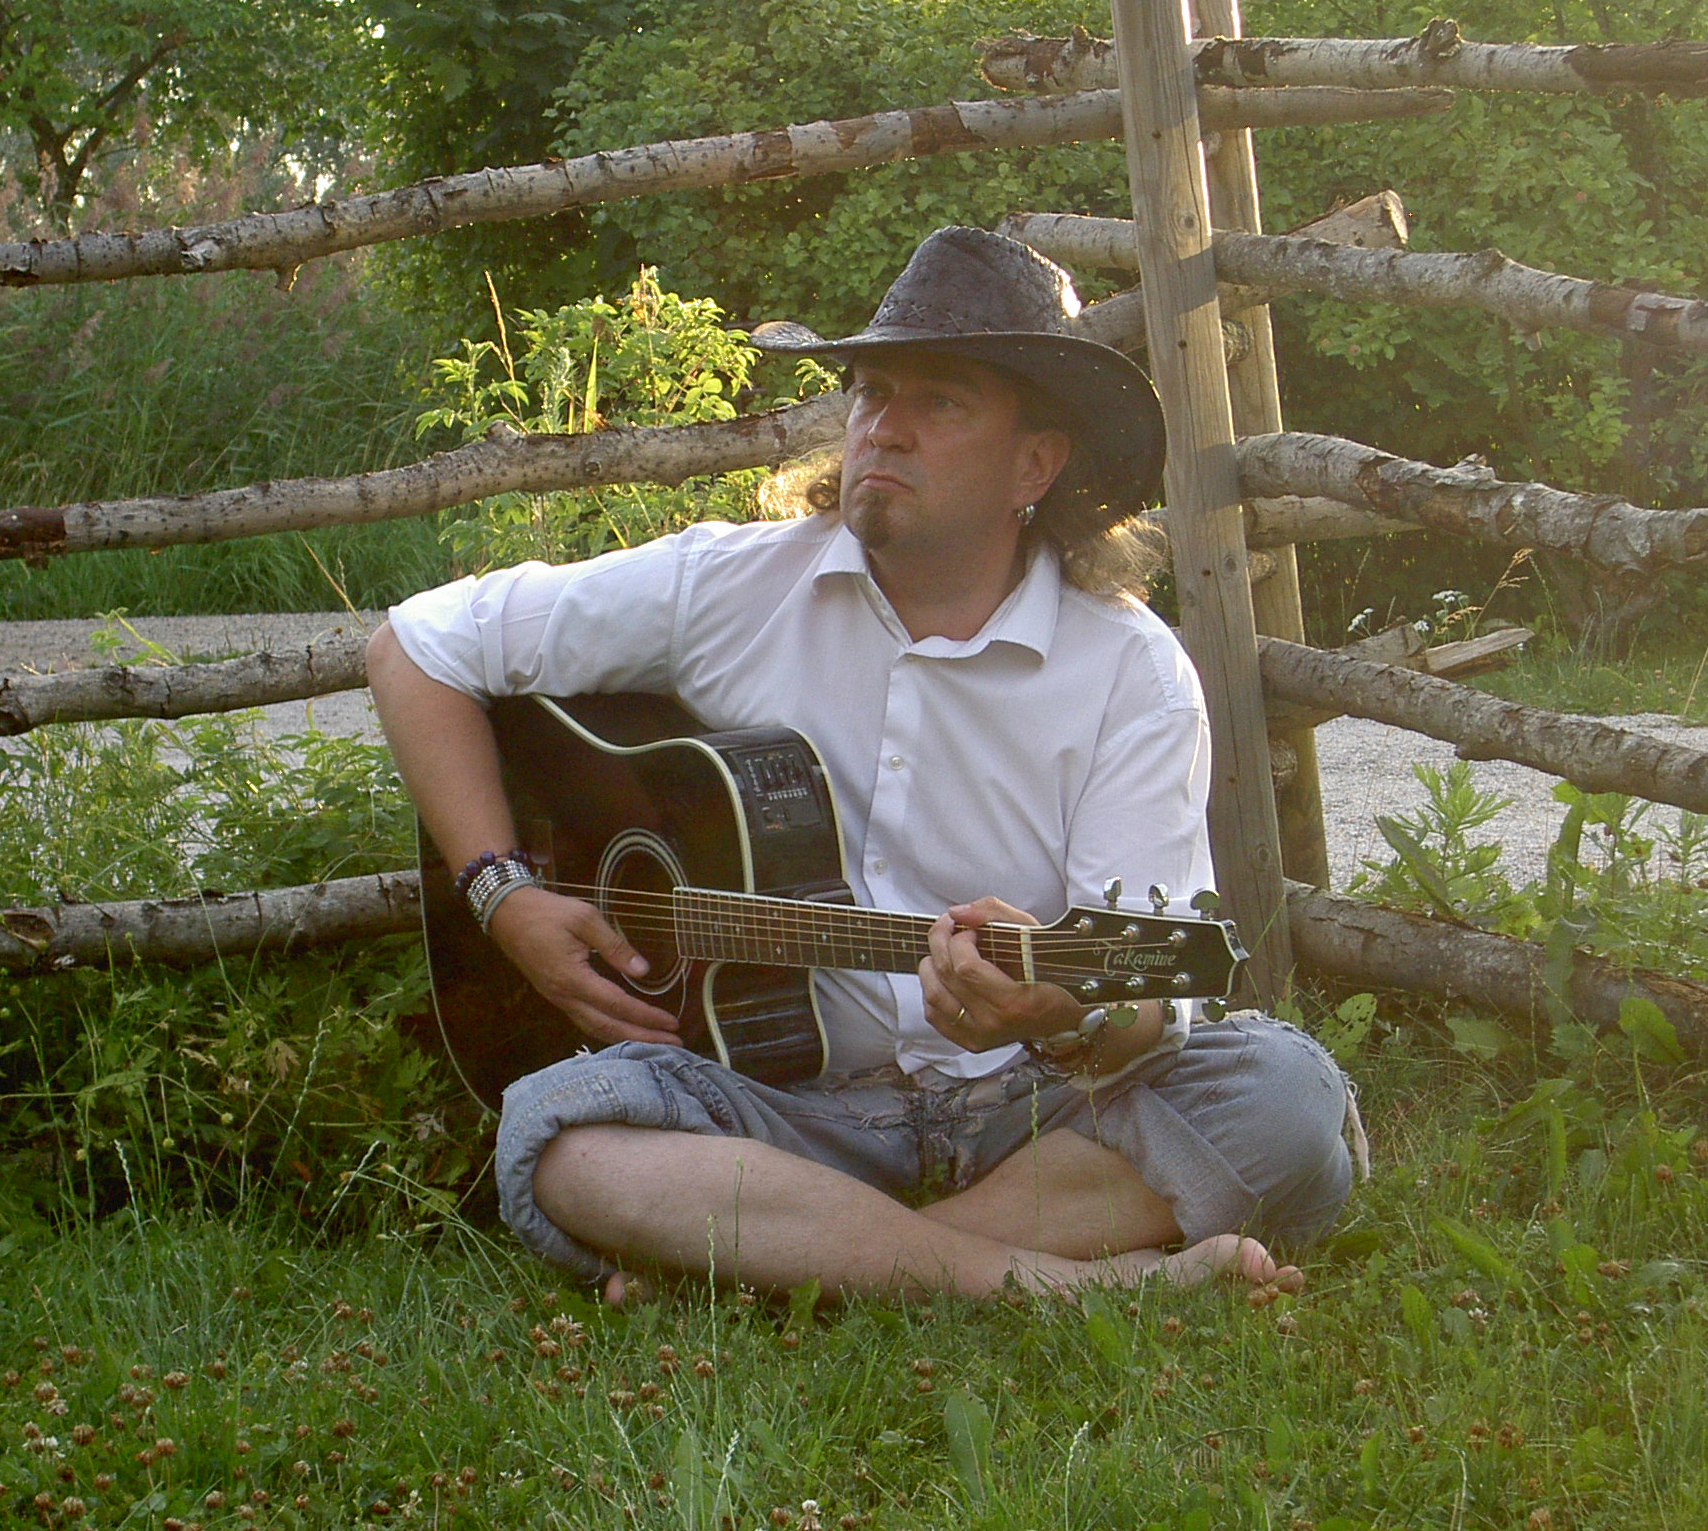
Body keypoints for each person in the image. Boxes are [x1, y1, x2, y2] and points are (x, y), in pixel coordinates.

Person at [367, 227, 1354, 1305]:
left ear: (1034, 464)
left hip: (1029, 1114)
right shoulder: (728, 584)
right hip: (782, 1105)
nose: (884, 426)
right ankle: (1051, 1287)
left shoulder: (1130, 672)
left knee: (1285, 1095)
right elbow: (414, 650)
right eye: (872, 392)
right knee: (562, 1137)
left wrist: (1058, 1012)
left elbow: (1145, 1004)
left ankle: (799, 1261)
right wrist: (503, 894)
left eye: (940, 401)